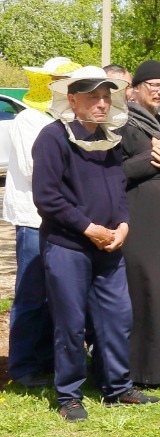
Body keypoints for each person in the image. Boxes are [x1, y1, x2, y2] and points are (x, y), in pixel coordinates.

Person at [33, 66, 159, 420]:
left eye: (106, 97)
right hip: (67, 246)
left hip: (109, 246)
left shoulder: (109, 138)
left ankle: (118, 387)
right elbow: (47, 197)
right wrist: (88, 228)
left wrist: (122, 224)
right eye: (93, 96)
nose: (102, 103)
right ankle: (69, 395)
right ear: (72, 99)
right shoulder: (52, 137)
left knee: (118, 318)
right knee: (70, 323)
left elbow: (117, 187)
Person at [4, 58, 76, 388]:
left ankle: (47, 359)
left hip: (60, 217)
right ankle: (22, 366)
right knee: (31, 294)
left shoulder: (64, 119)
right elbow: (36, 170)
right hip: (33, 218)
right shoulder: (28, 119)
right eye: (59, 80)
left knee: (56, 293)